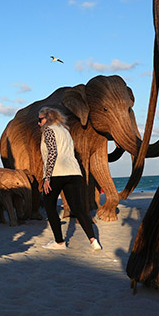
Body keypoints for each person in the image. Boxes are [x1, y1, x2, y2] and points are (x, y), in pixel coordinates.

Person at [38, 107, 100, 250]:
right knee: (78, 209)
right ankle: (93, 241)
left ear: (48, 118)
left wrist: (47, 178)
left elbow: (52, 153)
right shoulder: (65, 131)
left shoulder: (48, 130)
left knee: (50, 206)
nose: (38, 123)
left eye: (40, 119)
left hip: (56, 173)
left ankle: (59, 242)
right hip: (74, 172)